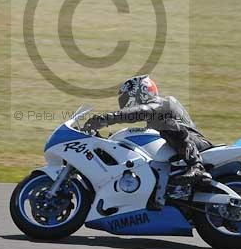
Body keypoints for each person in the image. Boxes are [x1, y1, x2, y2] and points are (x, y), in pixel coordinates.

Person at [84, 75, 212, 185]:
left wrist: (106, 119)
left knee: (166, 125)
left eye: (126, 98)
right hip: (179, 153)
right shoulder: (154, 119)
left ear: (140, 93)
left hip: (199, 146)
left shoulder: (164, 103)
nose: (124, 103)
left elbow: (141, 111)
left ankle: (197, 167)